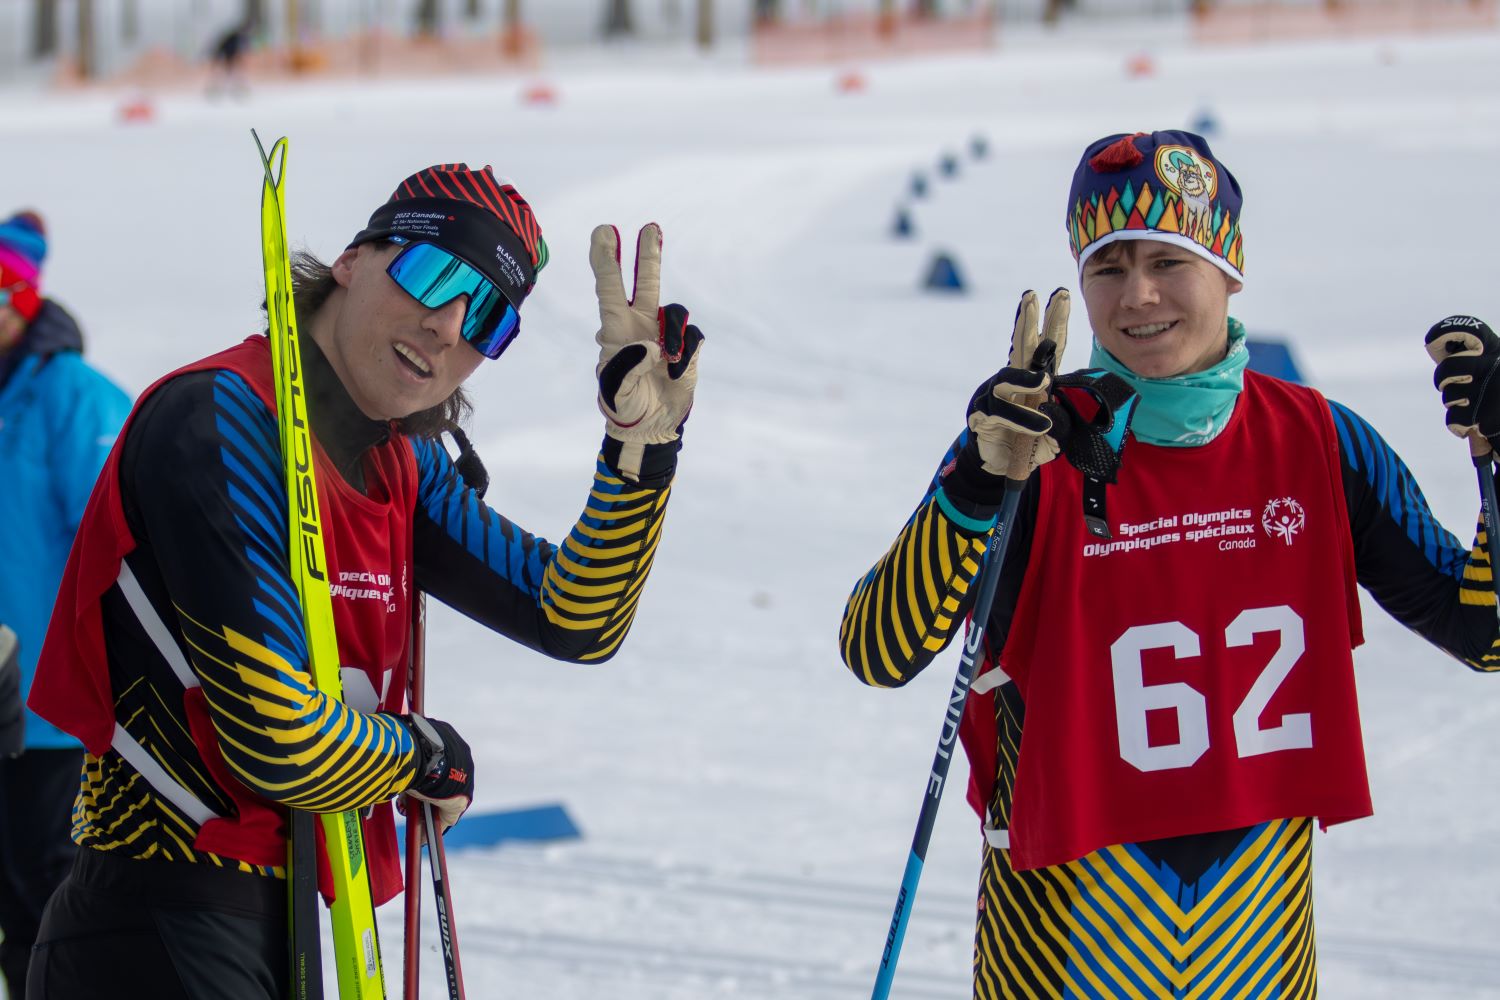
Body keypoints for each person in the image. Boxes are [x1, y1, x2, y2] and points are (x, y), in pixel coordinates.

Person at [838, 129, 1500, 998]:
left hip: (1257, 945)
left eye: (1168, 259)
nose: (1137, 295)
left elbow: (1483, 630)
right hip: (1058, 945)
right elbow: (877, 650)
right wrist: (973, 481)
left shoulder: (1322, 442)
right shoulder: (1029, 446)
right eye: (1108, 266)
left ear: (1229, 267)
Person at [26, 163, 703, 997]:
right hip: (156, 920)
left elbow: (573, 617)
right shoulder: (216, 419)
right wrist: (424, 755)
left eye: (486, 318)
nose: (445, 326)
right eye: (433, 273)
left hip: (308, 924)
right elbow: (279, 737)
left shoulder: (404, 461)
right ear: (351, 260)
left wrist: (640, 453)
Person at [0, 210, 131, 1000]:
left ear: (18, 301)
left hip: (51, 708)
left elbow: (120, 542)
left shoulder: (73, 398)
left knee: (43, 895)